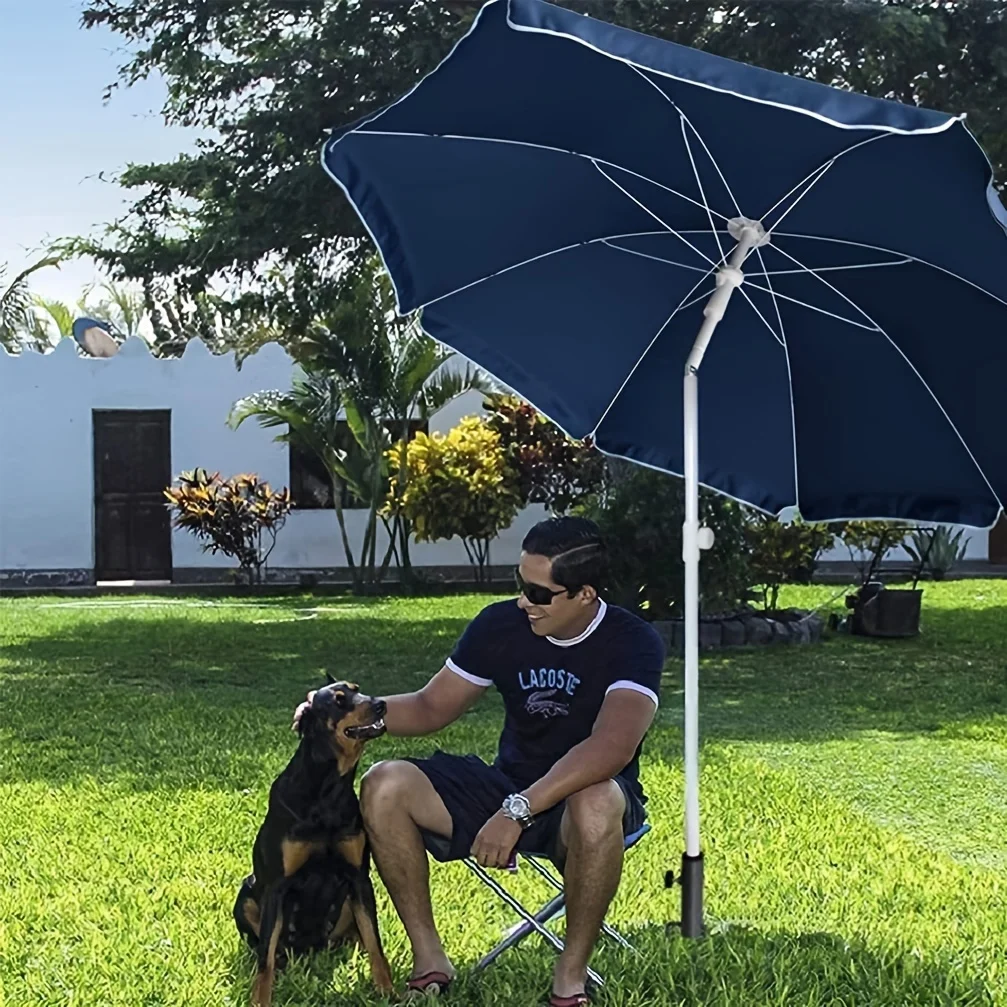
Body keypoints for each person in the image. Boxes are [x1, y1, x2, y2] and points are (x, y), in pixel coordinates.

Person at [292, 516, 665, 1006]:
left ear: (585, 595)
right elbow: (431, 707)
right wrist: (356, 717)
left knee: (595, 799)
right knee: (385, 783)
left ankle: (570, 977)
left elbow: (610, 748)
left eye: (539, 593)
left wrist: (518, 811)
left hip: (590, 801)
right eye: (520, 585)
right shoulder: (500, 625)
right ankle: (430, 960)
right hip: (507, 784)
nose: (524, 602)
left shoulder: (633, 641)